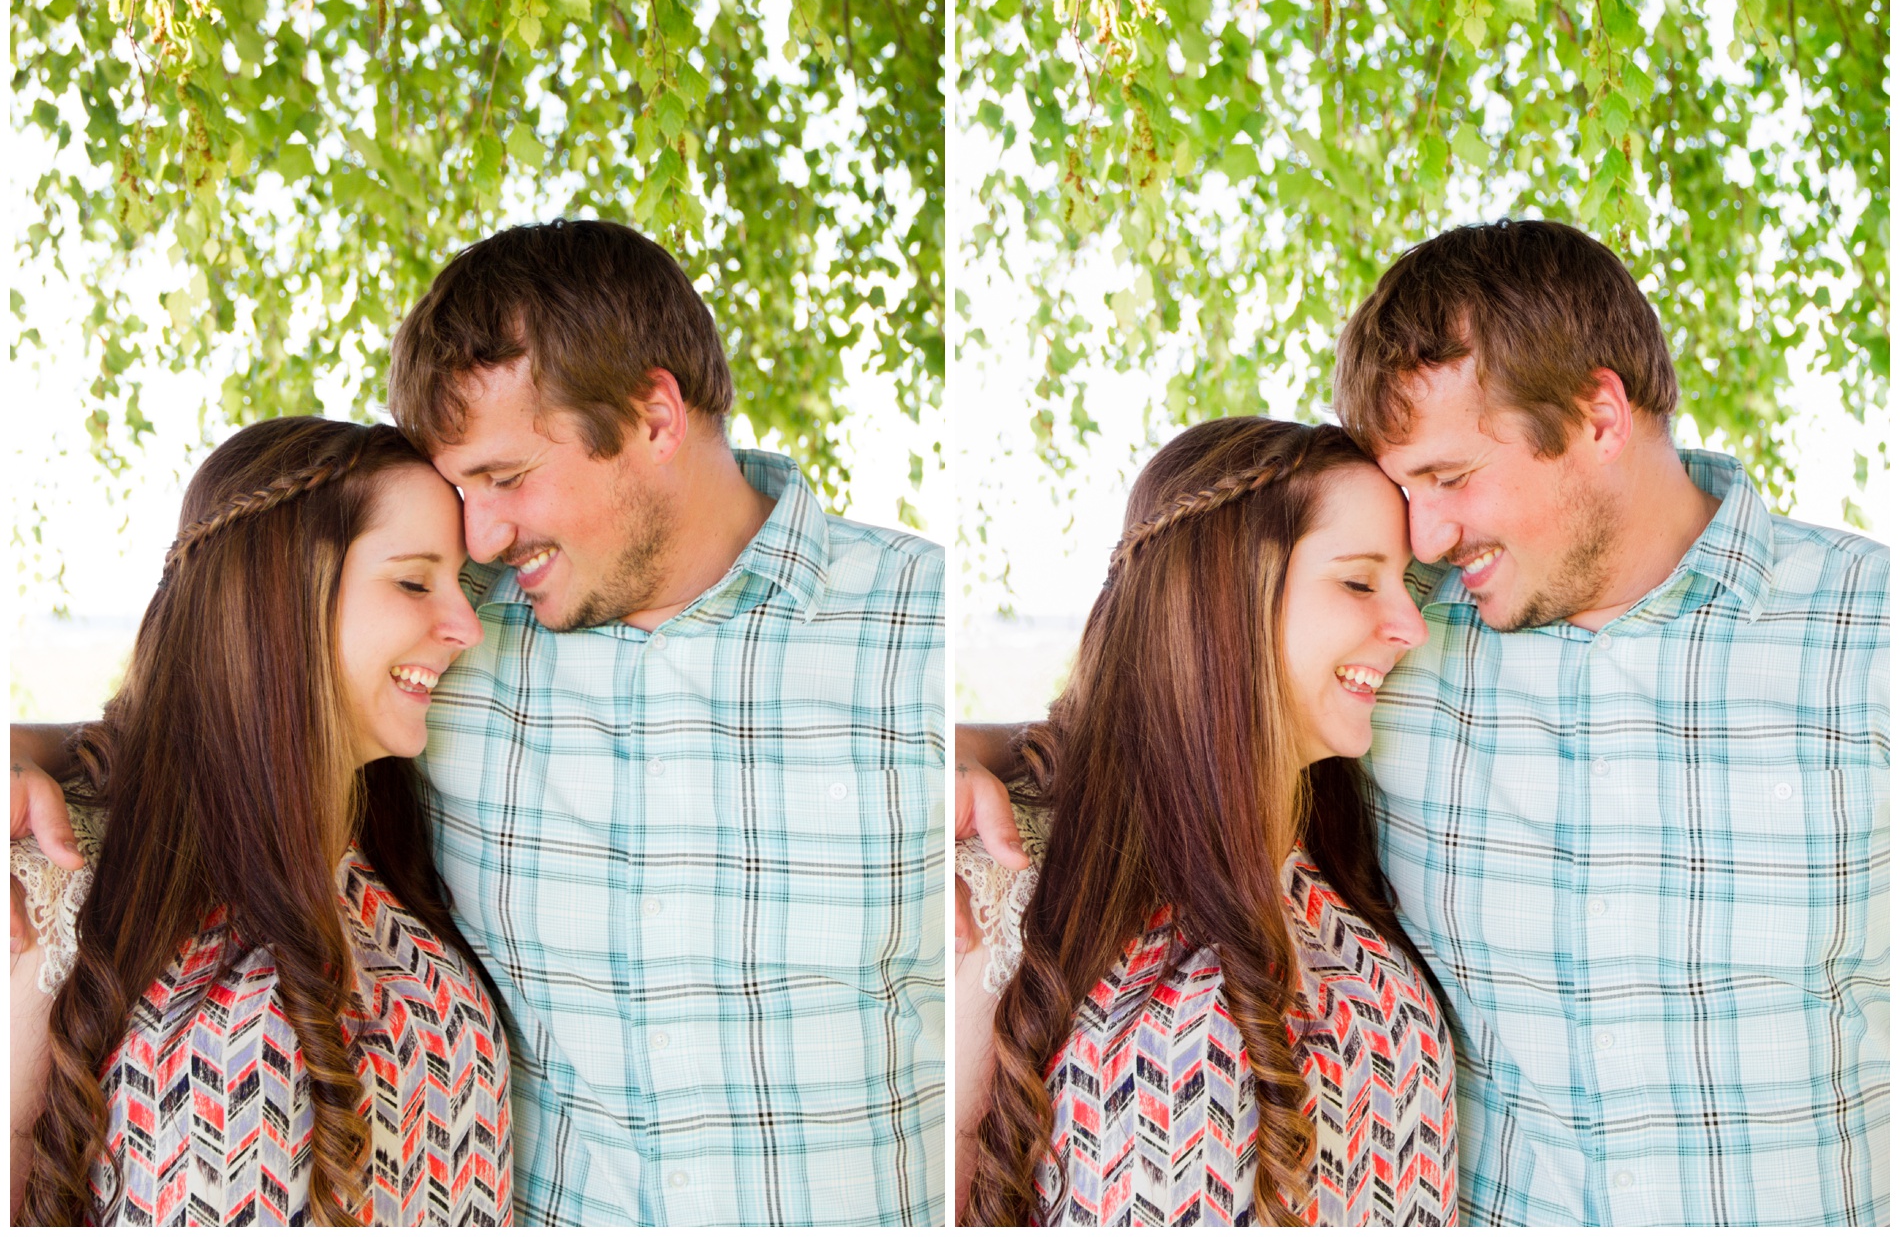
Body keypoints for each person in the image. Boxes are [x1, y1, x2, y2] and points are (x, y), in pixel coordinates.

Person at [961, 219, 1890, 1226]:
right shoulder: (1414, 628)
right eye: (1406, 496)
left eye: (1448, 478)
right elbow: (1194, 695)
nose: (1431, 536)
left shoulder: (1867, 632)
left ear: (1600, 414)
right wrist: (953, 756)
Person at [17, 220, 946, 1226]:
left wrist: (992, 754)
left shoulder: (922, 622)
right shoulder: (465, 629)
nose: (486, 535)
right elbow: (250, 685)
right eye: (461, 494)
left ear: (656, 413)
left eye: (504, 478)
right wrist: (28, 750)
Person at [958, 417, 1457, 1226]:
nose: (1411, 625)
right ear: (1224, 595)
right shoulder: (1012, 879)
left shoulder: (1347, 875)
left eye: (1407, 584)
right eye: (1360, 582)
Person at [10, 418, 510, 1225]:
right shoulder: (66, 879)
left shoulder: (405, 877)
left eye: (461, 584)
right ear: (281, 593)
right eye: (415, 582)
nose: (466, 625)